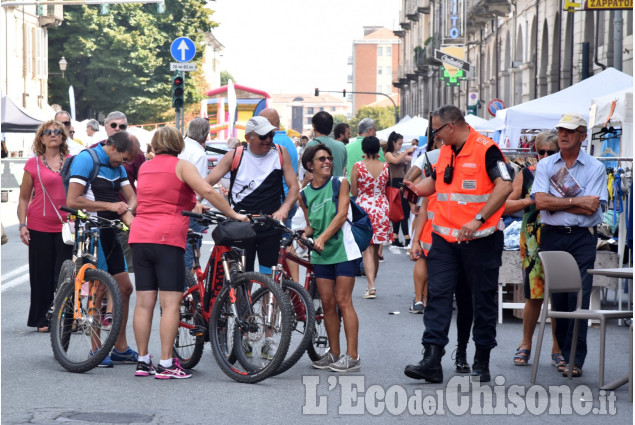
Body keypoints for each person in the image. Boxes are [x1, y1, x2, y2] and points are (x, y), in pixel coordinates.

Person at [403, 105, 512, 383]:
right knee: (438, 297)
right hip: (444, 239)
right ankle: (432, 359)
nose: (435, 136)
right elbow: (437, 184)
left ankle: (481, 360)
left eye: (437, 130)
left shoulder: (486, 149)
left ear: (451, 126)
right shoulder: (446, 152)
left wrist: (478, 219)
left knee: (481, 300)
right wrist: (415, 189)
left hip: (480, 240)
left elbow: (505, 186)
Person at [130, 126, 247, 379]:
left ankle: (142, 360)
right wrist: (233, 214)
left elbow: (156, 198)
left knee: (143, 303)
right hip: (168, 237)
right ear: (178, 145)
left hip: (140, 236)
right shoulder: (182, 166)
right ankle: (165, 363)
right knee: (170, 303)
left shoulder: (145, 167)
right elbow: (206, 191)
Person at [531, 113, 607, 378]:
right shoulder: (546, 165)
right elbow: (540, 202)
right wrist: (576, 202)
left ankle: (575, 358)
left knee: (580, 297)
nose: (563, 135)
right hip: (552, 235)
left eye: (571, 131)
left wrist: (558, 202)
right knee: (560, 299)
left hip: (582, 236)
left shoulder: (596, 167)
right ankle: (563, 352)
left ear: (582, 136)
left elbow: (593, 207)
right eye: (561, 130)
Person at [67, 130, 140, 367]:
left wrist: (127, 211)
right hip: (91, 231)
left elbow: (132, 197)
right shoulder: (87, 159)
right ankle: (96, 349)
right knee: (99, 289)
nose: (125, 164)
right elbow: (73, 200)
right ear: (113, 147)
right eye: (124, 159)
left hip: (110, 229)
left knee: (125, 288)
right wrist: (111, 205)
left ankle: (120, 347)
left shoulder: (116, 166)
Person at [206, 116, 299, 274]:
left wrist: (285, 208)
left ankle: (268, 298)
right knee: (243, 277)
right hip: (241, 225)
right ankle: (243, 299)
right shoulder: (235, 155)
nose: (268, 140)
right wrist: (196, 201)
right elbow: (207, 182)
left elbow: (294, 187)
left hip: (270, 223)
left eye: (271, 135)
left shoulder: (280, 153)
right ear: (248, 138)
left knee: (269, 279)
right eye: (263, 136)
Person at [300, 143, 362, 372]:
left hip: (343, 250)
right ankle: (334, 353)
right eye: (321, 159)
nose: (327, 162)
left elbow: (342, 214)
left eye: (329, 158)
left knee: (343, 301)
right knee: (327, 303)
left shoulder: (340, 183)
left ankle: (352, 356)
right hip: (321, 253)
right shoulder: (303, 195)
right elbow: (310, 226)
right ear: (310, 165)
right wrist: (300, 236)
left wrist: (323, 237)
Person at [505, 131, 563, 367]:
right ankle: (526, 343)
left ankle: (558, 348)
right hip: (532, 241)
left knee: (559, 295)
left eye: (551, 152)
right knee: (534, 295)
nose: (546, 156)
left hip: (560, 236)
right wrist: (530, 201)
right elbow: (506, 204)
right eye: (542, 152)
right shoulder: (526, 173)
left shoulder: (567, 174)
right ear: (535, 153)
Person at [17, 120, 73, 333]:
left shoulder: (71, 162)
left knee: (64, 274)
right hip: (39, 226)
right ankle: (42, 318)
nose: (52, 134)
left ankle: (64, 316)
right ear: (41, 138)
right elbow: (23, 198)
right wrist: (23, 225)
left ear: (62, 137)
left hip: (66, 226)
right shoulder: (32, 164)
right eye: (47, 132)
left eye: (57, 131)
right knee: (41, 274)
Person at [90, 112, 145, 273]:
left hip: (125, 216)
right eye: (114, 125)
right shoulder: (94, 151)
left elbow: (142, 187)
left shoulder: (136, 153)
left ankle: (116, 295)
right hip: (99, 216)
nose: (117, 128)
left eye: (122, 126)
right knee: (100, 268)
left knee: (124, 268)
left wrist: (131, 211)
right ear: (106, 127)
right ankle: (105, 295)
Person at [350, 136, 391, 299]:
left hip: (364, 207)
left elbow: (354, 192)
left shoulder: (358, 166)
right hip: (381, 206)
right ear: (378, 150)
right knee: (376, 248)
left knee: (367, 247)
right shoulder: (386, 166)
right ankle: (372, 283)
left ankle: (371, 286)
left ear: (363, 150)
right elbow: (387, 187)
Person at [178, 117, 211, 272]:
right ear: (206, 134)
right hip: (191, 206)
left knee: (180, 246)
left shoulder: (180, 147)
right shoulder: (199, 153)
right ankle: (190, 288)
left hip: (176, 204)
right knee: (192, 248)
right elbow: (201, 186)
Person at [384, 131, 415, 248]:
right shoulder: (388, 154)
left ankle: (395, 237)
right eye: (399, 143)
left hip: (403, 181)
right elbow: (395, 161)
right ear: (393, 142)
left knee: (401, 210)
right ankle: (407, 237)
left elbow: (409, 160)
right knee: (402, 210)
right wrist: (406, 152)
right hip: (395, 183)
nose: (401, 146)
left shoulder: (399, 153)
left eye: (402, 143)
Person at [306, 111, 347, 177]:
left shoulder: (310, 145)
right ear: (331, 128)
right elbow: (344, 168)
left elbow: (309, 175)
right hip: (339, 186)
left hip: (319, 187)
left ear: (314, 127)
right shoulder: (342, 146)